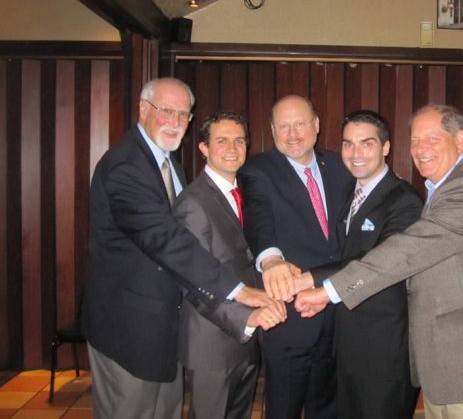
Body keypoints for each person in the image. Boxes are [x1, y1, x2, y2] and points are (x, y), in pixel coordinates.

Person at [296, 104, 463, 419]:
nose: (421, 149)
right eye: (416, 140)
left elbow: (406, 251)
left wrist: (328, 290)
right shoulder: (442, 189)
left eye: (432, 139)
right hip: (448, 366)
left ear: (460, 139)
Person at [83, 78, 273, 419]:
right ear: (143, 110)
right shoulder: (126, 165)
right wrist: (237, 290)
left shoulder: (169, 164)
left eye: (183, 114)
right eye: (166, 111)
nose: (175, 122)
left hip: (161, 327)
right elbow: (164, 238)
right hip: (129, 327)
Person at [300, 110, 423, 419]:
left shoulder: (404, 200)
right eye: (348, 144)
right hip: (344, 344)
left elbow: (377, 261)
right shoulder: (346, 193)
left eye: (366, 144)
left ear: (386, 147)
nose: (355, 154)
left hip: (383, 350)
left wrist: (313, 282)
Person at [238, 94, 352, 419]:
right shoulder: (258, 170)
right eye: (283, 126)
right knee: (283, 408)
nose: (292, 133)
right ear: (272, 130)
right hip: (290, 317)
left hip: (338, 310)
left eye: (300, 123)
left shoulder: (341, 166)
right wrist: (271, 259)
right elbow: (258, 216)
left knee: (329, 408)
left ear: (316, 125)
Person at [173, 112, 286, 419]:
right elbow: (194, 283)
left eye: (239, 140)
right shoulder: (192, 204)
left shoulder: (246, 194)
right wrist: (248, 319)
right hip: (213, 342)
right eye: (221, 141)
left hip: (247, 339)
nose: (233, 148)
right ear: (203, 149)